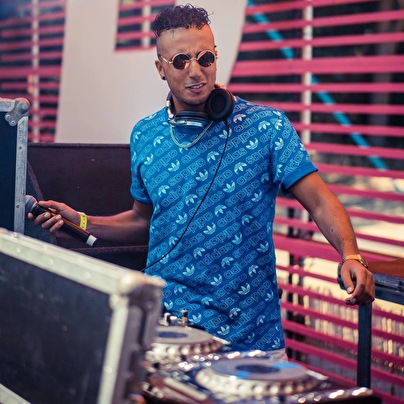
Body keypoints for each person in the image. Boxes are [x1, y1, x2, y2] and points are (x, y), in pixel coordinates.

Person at [29, 4, 374, 355]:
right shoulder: (146, 135)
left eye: (205, 58)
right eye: (180, 61)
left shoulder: (267, 127)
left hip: (253, 336)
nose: (195, 72)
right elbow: (143, 221)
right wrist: (82, 221)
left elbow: (320, 201)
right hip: (168, 333)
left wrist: (351, 255)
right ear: (161, 69)